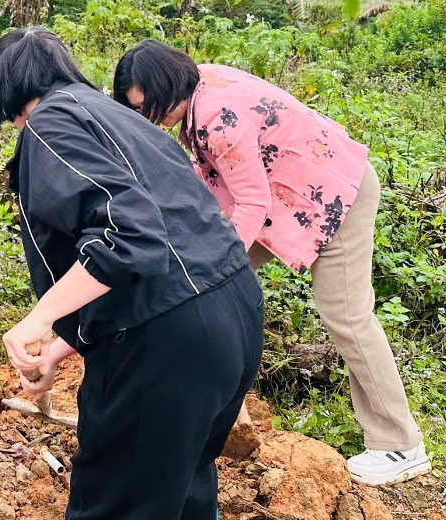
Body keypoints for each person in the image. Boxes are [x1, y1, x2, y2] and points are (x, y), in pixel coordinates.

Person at [0, 28, 264, 520]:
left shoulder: (49, 126)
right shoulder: (121, 119)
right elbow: (151, 258)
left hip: (169, 337)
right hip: (234, 306)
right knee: (188, 455)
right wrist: (64, 348)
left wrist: (39, 318)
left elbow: (131, 241)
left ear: (8, 97)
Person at [112, 40, 429, 486]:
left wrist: (217, 261)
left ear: (167, 85)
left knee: (347, 316)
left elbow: (251, 203)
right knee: (205, 280)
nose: (150, 118)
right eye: (137, 109)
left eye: (149, 107)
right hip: (293, 198)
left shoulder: (216, 117)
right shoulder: (201, 82)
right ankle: (207, 400)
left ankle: (400, 444)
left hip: (334, 199)